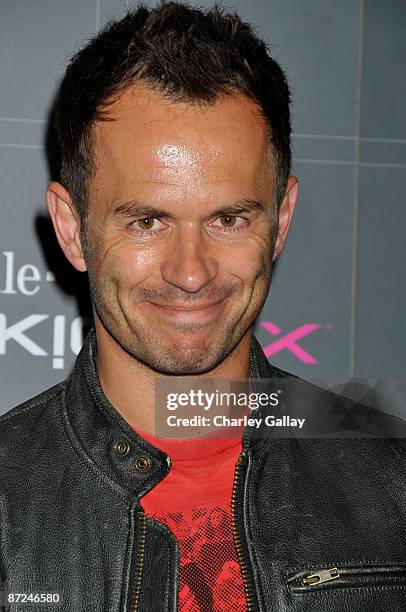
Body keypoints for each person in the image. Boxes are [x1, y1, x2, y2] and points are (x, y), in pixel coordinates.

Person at [1, 2, 406, 611]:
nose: (190, 271)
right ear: (70, 228)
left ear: (281, 220)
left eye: (229, 219)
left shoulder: (391, 483)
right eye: (145, 221)